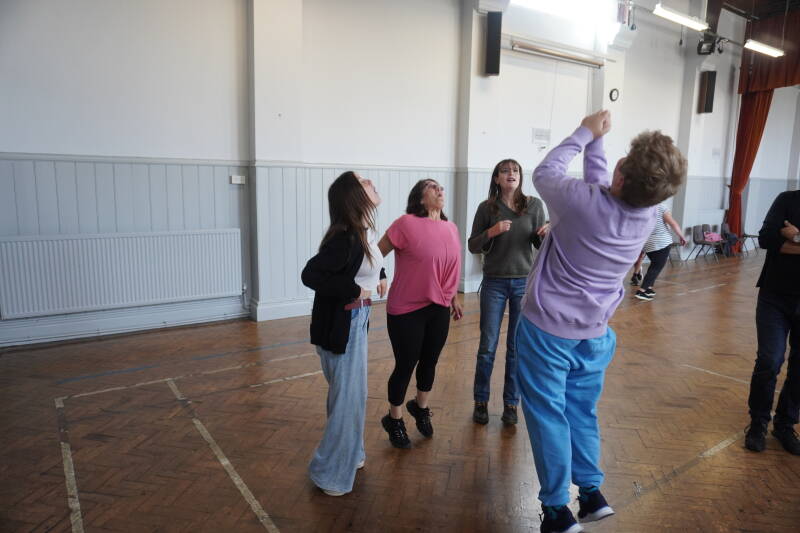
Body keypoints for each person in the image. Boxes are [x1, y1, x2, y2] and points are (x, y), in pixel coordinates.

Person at [516, 110, 686, 533]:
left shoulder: (580, 203)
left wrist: (584, 133)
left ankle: (557, 510)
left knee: (548, 416)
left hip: (547, 333)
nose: (615, 166)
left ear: (623, 178)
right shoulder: (645, 215)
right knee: (581, 412)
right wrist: (598, 143)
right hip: (594, 337)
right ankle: (591, 493)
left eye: (621, 163)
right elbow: (602, 186)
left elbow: (545, 171)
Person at [301, 171, 387, 496]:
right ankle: (329, 473)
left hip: (356, 322)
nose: (371, 181)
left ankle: (351, 455)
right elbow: (311, 274)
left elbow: (371, 263)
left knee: (352, 397)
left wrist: (381, 275)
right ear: (353, 195)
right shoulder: (346, 237)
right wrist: (355, 290)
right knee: (347, 400)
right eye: (363, 180)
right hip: (341, 325)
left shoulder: (363, 233)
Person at [378, 178, 463, 449]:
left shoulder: (451, 228)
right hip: (406, 308)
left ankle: (420, 407)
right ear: (419, 197)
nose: (439, 189)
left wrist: (453, 297)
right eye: (431, 186)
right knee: (406, 365)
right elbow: (376, 254)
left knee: (430, 362)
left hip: (438, 307)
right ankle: (395, 417)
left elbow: (451, 266)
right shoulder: (405, 224)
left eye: (440, 186)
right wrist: (379, 276)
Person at [468, 159, 548, 426]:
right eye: (505, 171)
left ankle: (511, 404)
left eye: (515, 171)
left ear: (520, 177)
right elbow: (473, 246)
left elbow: (539, 243)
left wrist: (545, 235)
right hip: (494, 283)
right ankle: (481, 400)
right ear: (496, 179)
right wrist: (491, 231)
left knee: (516, 348)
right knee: (487, 346)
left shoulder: (534, 205)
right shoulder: (487, 208)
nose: (511, 174)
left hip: (522, 284)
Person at [744, 189, 800, 456]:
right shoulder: (787, 199)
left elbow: (781, 241)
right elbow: (765, 238)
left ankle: (785, 424)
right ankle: (758, 423)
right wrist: (780, 238)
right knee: (769, 360)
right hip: (774, 296)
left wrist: (795, 237)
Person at [631, 203, 686, 301]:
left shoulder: (642, 207)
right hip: (661, 242)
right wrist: (681, 235)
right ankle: (642, 290)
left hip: (647, 243)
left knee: (654, 265)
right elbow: (673, 223)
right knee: (656, 267)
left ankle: (649, 288)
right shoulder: (661, 207)